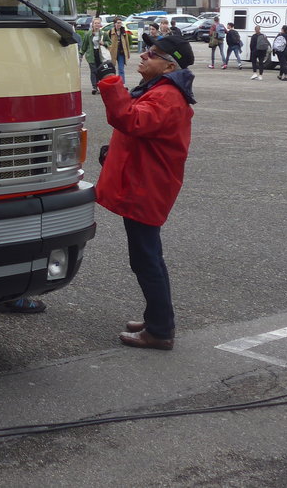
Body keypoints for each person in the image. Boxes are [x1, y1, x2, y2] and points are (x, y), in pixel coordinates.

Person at [94, 33, 196, 351]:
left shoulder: (166, 95)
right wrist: (115, 151)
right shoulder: (162, 89)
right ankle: (157, 318)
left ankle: (160, 329)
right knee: (148, 256)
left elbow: (131, 119)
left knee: (146, 259)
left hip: (145, 188)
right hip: (145, 184)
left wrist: (110, 81)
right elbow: (142, 131)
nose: (143, 56)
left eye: (152, 54)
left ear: (169, 65)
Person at [80, 16, 105, 95]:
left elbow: (109, 43)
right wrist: (81, 54)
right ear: (92, 24)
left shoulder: (103, 34)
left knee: (100, 71)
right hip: (91, 54)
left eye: (98, 23)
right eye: (95, 23)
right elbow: (84, 45)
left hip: (100, 54)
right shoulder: (88, 34)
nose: (97, 25)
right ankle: (94, 87)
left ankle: (99, 86)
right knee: (93, 71)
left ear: (100, 24)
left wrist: (104, 43)